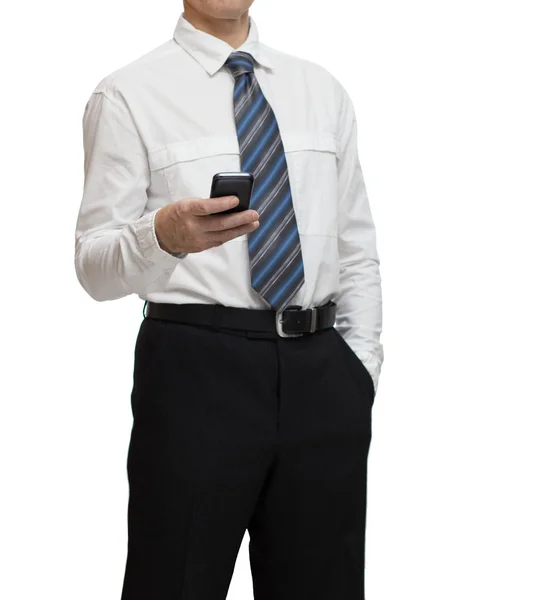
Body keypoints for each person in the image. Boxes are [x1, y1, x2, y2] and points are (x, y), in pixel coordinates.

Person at [75, 1, 384, 598]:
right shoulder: (128, 94)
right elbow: (92, 267)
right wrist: (160, 237)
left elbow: (355, 246)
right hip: (195, 370)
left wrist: (358, 371)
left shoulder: (321, 90)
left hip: (322, 375)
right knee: (176, 581)